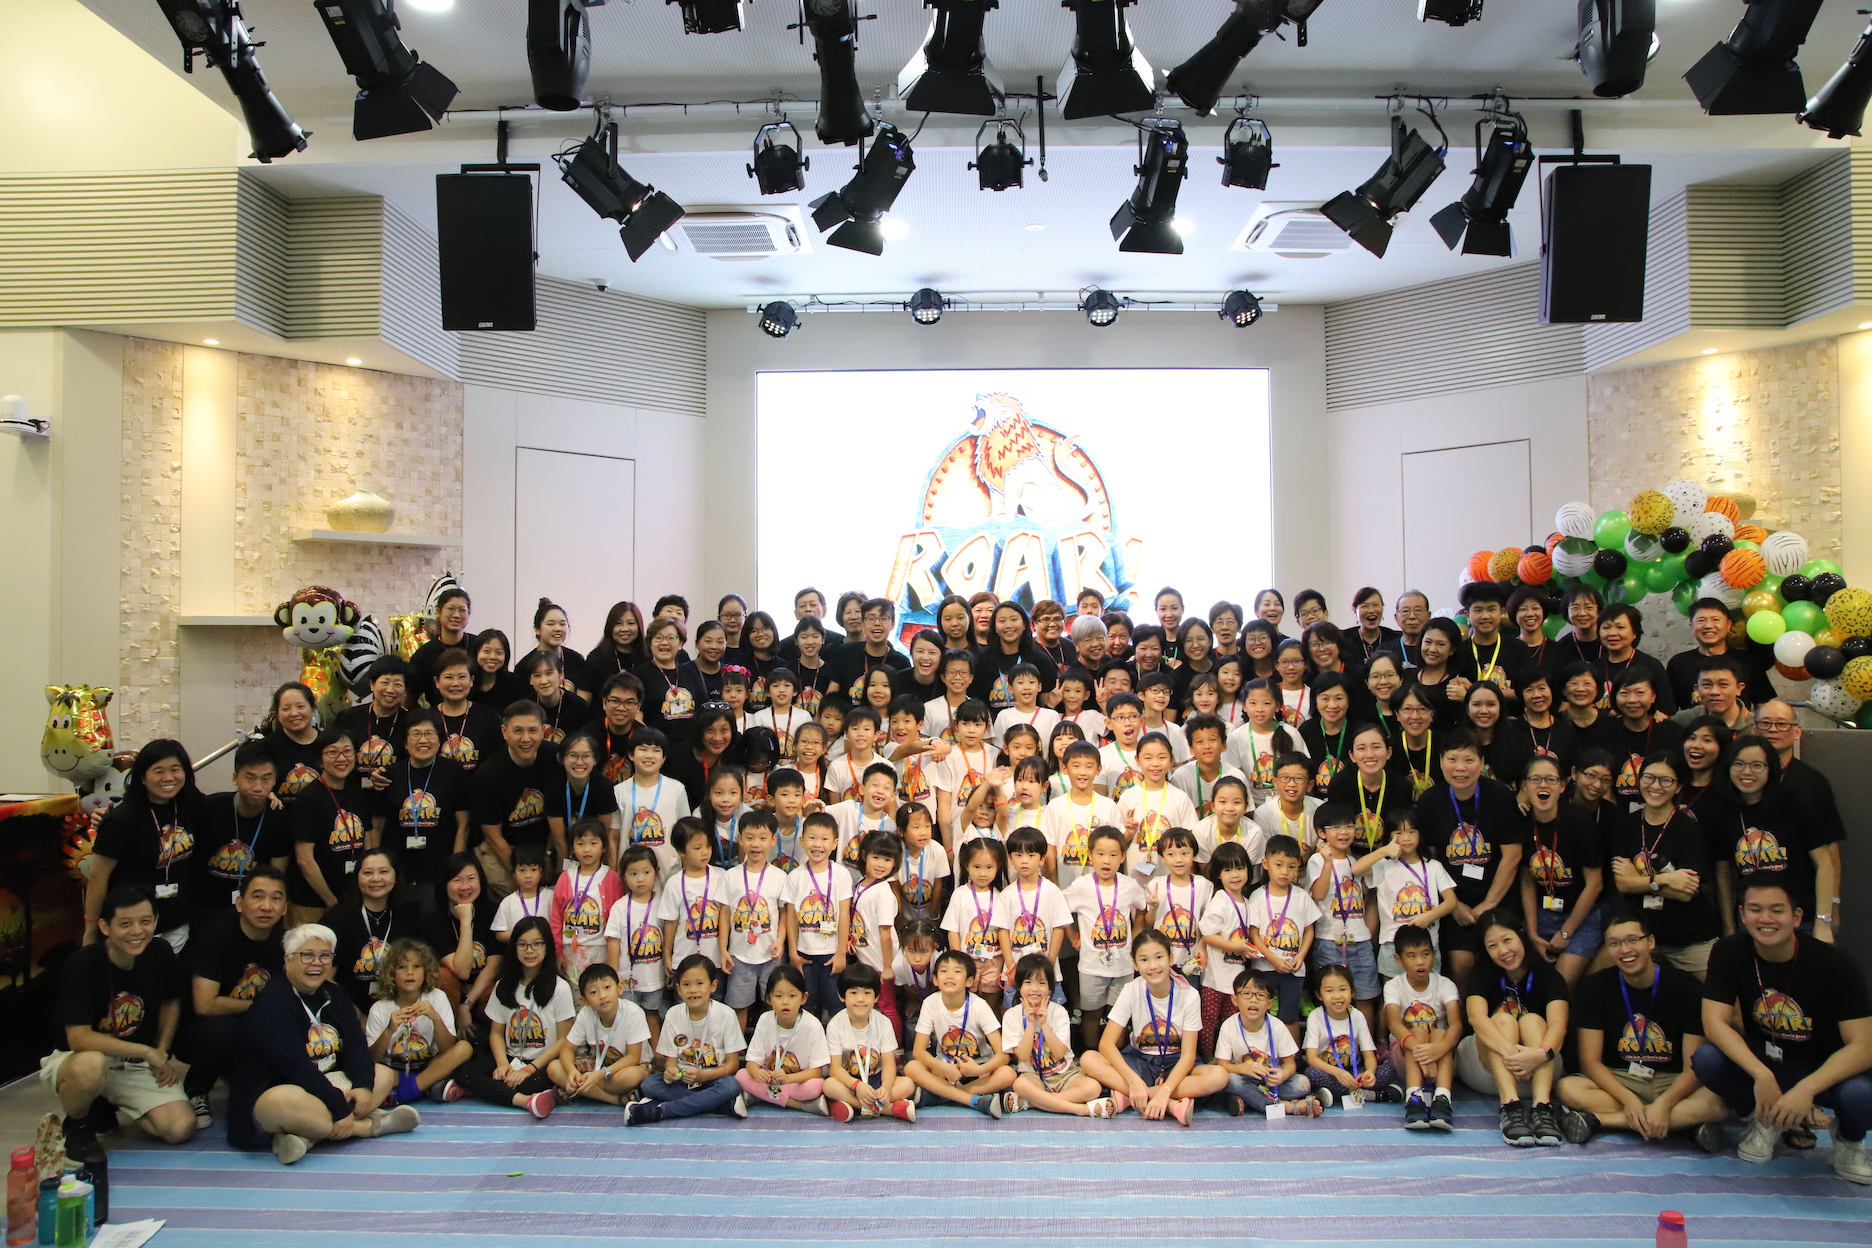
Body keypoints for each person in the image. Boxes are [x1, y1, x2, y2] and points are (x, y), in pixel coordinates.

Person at [1693, 877, 1872, 1182]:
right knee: (1707, 1060)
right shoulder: (1728, 951)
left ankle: (1849, 1139)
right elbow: (1714, 1022)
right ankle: (1765, 1118)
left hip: (1825, 1066)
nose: (1765, 919)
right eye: (1755, 909)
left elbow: (1864, 1046)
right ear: (1742, 914)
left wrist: (1807, 1088)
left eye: (1777, 910)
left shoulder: (1835, 963)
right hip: (1768, 1059)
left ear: (1796, 916)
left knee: (1861, 1094)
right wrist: (1761, 1076)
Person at [227, 922, 418, 1163]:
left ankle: (304, 1136)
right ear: (288, 959)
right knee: (279, 1101)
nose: (317, 963)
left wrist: (362, 1087)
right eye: (307, 955)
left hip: (327, 1084)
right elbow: (297, 1068)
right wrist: (339, 1109)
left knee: (383, 1074)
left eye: (325, 956)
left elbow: (356, 1046)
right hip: (285, 1090)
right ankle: (369, 1126)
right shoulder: (271, 1005)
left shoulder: (335, 993)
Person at [1555, 910, 1730, 1146]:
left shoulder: (1687, 988)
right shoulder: (1595, 987)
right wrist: (1628, 1099)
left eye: (1632, 940)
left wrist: (1665, 1103)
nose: (1625, 950)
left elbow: (1692, 1068)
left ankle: (1598, 1121)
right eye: (1614, 943)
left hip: (1672, 1081)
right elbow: (1590, 1062)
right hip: (1622, 1079)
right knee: (1568, 1088)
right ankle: (1685, 1123)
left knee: (1718, 1100)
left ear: (1651, 942)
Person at [45, 885, 195, 1152]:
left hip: (134, 1062)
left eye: (145, 921)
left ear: (155, 921)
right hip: (80, 1057)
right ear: (105, 926)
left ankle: (107, 1102)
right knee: (91, 1068)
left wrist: (162, 1050)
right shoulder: (83, 963)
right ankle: (78, 1124)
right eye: (125, 924)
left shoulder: (160, 952)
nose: (137, 931)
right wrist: (147, 1052)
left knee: (179, 1128)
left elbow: (171, 1001)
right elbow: (78, 1038)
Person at [1414, 731, 1525, 990]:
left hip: (1498, 896)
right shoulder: (1430, 801)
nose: (1460, 768)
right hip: (1454, 898)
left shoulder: (1500, 796)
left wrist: (1489, 904)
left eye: (1469, 760)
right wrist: (1453, 904)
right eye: (1452, 759)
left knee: (1505, 956)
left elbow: (1512, 856)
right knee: (1461, 963)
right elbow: (1430, 860)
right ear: (1441, 761)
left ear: (1482, 762)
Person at [181, 866, 288, 1126]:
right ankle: (197, 1087)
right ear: (240, 903)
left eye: (276, 899)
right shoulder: (216, 935)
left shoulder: (284, 940)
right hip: (200, 1027)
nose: (266, 906)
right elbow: (204, 1005)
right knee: (221, 1030)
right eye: (258, 897)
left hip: (254, 1021)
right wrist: (262, 1006)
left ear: (285, 907)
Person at [442, 914, 575, 1116]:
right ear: (514, 948)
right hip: (511, 1057)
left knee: (533, 1082)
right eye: (522, 945)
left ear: (547, 947)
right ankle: (524, 1101)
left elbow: (563, 1040)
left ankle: (483, 1090)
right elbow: (496, 1033)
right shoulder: (503, 985)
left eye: (537, 944)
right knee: (463, 1071)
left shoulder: (560, 988)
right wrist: (503, 1064)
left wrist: (529, 1069)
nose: (529, 951)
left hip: (541, 1062)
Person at [1458, 910, 1570, 1147]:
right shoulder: (1481, 973)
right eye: (1493, 946)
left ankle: (1542, 1108)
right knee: (1503, 1020)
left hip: (1540, 1069)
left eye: (1507, 940)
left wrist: (1539, 1055)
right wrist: (1513, 1054)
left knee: (1533, 1021)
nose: (1503, 951)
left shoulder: (1548, 974)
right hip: (1489, 1070)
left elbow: (1559, 1025)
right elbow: (1476, 1019)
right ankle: (1510, 1106)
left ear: (1521, 936)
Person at [1608, 752, 1721, 976]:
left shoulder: (1690, 829)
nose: (1655, 786)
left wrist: (1637, 881)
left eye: (1666, 780)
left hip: (1688, 937)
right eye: (1649, 778)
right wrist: (1667, 879)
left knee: (1710, 992)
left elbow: (1686, 893)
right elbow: (1621, 884)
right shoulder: (1624, 826)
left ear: (1678, 787)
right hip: (1639, 936)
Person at [1081, 930, 1208, 1124]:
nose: (1153, 966)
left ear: (1171, 958)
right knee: (1088, 1059)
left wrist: (1166, 1090)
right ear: (1135, 964)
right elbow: (1106, 1044)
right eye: (1144, 960)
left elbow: (1188, 1056)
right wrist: (1134, 1081)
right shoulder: (1131, 989)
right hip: (1140, 1060)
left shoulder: (1189, 994)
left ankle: (1133, 1096)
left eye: (1159, 957)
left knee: (1217, 1077)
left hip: (1175, 1062)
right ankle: (1169, 1104)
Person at [87, 740, 205, 943]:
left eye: (175, 769)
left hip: (178, 921)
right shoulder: (121, 819)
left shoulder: (191, 804)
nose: (168, 778)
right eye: (158, 771)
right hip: (133, 924)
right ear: (142, 776)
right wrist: (90, 929)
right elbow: (98, 877)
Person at [1756, 699, 1847, 934]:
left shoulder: (1811, 781)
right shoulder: (1741, 778)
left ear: (1797, 732)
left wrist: (1833, 905)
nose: (1773, 730)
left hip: (1803, 909)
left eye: (1781, 724)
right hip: (1753, 909)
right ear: (1754, 729)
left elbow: (1830, 847)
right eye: (1765, 723)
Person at [626, 953, 749, 1124]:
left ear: (713, 986)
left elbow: (732, 1065)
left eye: (700, 984)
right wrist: (670, 1072)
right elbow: (671, 1062)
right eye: (686, 984)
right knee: (649, 1083)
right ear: (678, 989)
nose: (693, 990)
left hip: (712, 1080)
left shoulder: (726, 1014)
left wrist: (703, 1076)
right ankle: (719, 1105)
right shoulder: (673, 1014)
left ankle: (660, 1112)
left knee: (731, 1085)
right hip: (683, 1081)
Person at [1517, 754, 1606, 988]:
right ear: (1524, 786)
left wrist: (1566, 933)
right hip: (1541, 913)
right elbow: (1526, 881)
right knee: (1528, 980)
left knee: (1559, 984)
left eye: (1550, 779)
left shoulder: (1580, 824)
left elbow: (1595, 884)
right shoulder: (1521, 823)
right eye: (1535, 779)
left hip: (1582, 915)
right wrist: (1532, 933)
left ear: (1563, 786)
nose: (1543, 785)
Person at [371, 710, 470, 918]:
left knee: (432, 919)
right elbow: (377, 825)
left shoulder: (454, 773)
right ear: (405, 742)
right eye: (415, 734)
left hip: (438, 866)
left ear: (439, 739)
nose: (423, 740)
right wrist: (376, 864)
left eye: (429, 734)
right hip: (398, 867)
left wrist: (455, 867)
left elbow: (463, 824)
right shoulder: (390, 775)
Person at [1063, 826, 1148, 1050]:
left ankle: (1117, 1059)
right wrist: (1073, 935)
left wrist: (1136, 936)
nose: (1106, 861)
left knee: (1118, 1018)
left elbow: (1142, 908)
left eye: (1113, 855)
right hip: (1091, 966)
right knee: (1091, 1014)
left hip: (1123, 966)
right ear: (1090, 855)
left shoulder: (1129, 885)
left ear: (1123, 857)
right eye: (1100, 854)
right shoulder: (1081, 886)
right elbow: (1060, 909)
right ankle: (1092, 1056)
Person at [1000, 954, 1117, 1117]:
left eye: (1041, 983)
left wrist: (1044, 1024)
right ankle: (1082, 1110)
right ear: (1019, 985)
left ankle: (1033, 1102)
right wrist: (1031, 1023)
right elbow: (1023, 1056)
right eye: (1028, 982)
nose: (1035, 988)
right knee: (1020, 1084)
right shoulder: (1011, 1015)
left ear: (1050, 987)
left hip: (1065, 1074)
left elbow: (1060, 1053)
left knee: (1093, 1087)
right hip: (1033, 1076)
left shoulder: (1059, 1012)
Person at [905, 948, 1015, 1117]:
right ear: (935, 979)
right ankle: (974, 1100)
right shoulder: (930, 1003)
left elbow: (1003, 1055)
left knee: (1008, 1074)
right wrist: (943, 1067)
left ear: (969, 981)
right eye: (944, 971)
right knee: (912, 1067)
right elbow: (918, 1051)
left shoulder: (979, 1006)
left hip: (978, 1070)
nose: (949, 976)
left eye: (957, 972)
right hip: (944, 1070)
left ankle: (941, 1096)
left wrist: (978, 1070)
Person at [365, 937, 473, 1105]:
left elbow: (447, 1049)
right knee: (373, 1071)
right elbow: (373, 1058)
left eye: (417, 966)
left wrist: (435, 1018)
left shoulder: (437, 997)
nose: (410, 972)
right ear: (391, 973)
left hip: (430, 1067)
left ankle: (407, 1092)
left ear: (426, 970)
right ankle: (428, 1086)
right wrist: (389, 1030)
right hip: (394, 1072)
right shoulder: (380, 1008)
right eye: (402, 967)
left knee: (464, 1048)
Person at [288, 729, 375, 927]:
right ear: (320, 760)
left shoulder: (358, 795)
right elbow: (304, 860)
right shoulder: (308, 799)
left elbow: (368, 842)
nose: (341, 758)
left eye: (347, 751)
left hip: (352, 898)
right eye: (333, 752)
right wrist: (331, 900)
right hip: (314, 901)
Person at [1377, 926, 1460, 1130]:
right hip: (1406, 1055)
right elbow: (1394, 1023)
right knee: (1419, 1031)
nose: (1420, 961)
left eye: (1425, 954)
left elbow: (1457, 1025)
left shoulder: (1445, 984)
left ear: (1434, 955)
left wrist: (1438, 1049)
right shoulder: (1393, 986)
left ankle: (1442, 1099)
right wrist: (1421, 1052)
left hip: (1439, 1057)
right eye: (1412, 956)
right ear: (1399, 960)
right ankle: (1414, 1098)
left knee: (1441, 1033)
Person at [469, 701, 554, 894]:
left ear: (543, 731)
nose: (526, 738)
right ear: (504, 732)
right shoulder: (488, 775)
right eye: (518, 731)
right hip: (504, 846)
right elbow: (492, 835)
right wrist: (522, 874)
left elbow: (558, 816)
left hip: (545, 845)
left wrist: (549, 855)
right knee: (518, 894)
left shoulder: (555, 759)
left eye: (533, 730)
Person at [1242, 835, 1320, 1039]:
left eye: (1291, 866)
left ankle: (1292, 1055)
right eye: (1279, 865)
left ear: (1298, 868)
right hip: (1265, 967)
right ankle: (1263, 1051)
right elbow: (1254, 933)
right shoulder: (1258, 896)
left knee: (1290, 1016)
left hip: (1294, 969)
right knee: (1262, 1014)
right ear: (1265, 864)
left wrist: (1301, 956)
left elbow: (1309, 930)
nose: (1285, 872)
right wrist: (1272, 959)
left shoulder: (1301, 896)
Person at [197, 742, 288, 917]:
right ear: (235, 778)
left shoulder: (278, 817)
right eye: (250, 778)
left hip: (255, 909)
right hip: (208, 907)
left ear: (275, 780)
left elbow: (276, 876)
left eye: (266, 779)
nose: (258, 787)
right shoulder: (209, 808)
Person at [543, 962, 650, 1108]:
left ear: (619, 988)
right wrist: (571, 1072)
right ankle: (614, 1099)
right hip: (599, 1065)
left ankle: (581, 1091)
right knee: (554, 1068)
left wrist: (597, 1076)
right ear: (584, 1001)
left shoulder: (633, 1012)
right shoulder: (586, 1013)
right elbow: (567, 1049)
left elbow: (633, 1057)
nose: (602, 996)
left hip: (629, 1066)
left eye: (607, 987)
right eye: (593, 992)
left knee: (631, 1076)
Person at [323, 848, 415, 1014]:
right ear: (357, 878)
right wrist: (356, 1016)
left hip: (400, 1006)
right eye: (367, 873)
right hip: (350, 1007)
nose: (376, 878)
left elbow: (419, 968)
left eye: (384, 871)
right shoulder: (336, 919)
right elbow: (326, 979)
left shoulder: (409, 913)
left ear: (396, 876)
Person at [733, 964, 831, 1114]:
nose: (785, 1002)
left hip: (796, 1081)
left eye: (792, 996)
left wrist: (788, 1079)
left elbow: (816, 1072)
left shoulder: (812, 1025)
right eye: (778, 996)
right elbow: (752, 1062)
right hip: (770, 1079)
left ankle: (759, 1096)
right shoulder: (765, 1020)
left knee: (815, 1086)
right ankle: (799, 1105)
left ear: (803, 998)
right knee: (741, 1076)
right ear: (768, 998)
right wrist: (757, 1073)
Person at [825, 962, 916, 1121]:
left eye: (867, 993)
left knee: (907, 1084)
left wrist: (885, 1088)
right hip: (849, 1081)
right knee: (829, 1085)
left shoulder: (883, 1022)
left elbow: (889, 1064)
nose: (860, 999)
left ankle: (851, 1106)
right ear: (842, 996)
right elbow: (835, 1068)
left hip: (876, 1080)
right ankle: (888, 1109)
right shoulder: (835, 1025)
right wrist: (857, 1085)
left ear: (876, 997)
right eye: (853, 993)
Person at [426, 853, 502, 1044]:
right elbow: (462, 971)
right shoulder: (434, 921)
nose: (465, 886)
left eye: (471, 879)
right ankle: (448, 1041)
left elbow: (493, 965)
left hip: (483, 989)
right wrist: (466, 921)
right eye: (457, 880)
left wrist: (467, 1004)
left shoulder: (493, 911)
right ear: (445, 885)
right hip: (453, 991)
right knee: (442, 976)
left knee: (504, 988)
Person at [784, 813, 854, 1017]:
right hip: (804, 953)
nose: (817, 844)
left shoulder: (841, 874)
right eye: (812, 838)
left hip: (832, 953)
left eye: (824, 839)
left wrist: (841, 953)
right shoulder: (795, 876)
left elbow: (844, 915)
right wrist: (793, 954)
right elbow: (791, 918)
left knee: (835, 1007)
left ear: (835, 844)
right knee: (806, 1006)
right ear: (802, 841)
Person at [1668, 598, 1775, 711]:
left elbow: (1763, 706)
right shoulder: (1678, 664)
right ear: (1691, 626)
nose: (1708, 626)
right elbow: (1669, 709)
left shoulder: (1748, 661)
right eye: (1701, 620)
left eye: (1715, 620)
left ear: (1728, 625)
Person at [1300, 963, 1380, 1111]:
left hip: (1353, 1072)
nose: (1337, 996)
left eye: (1343, 989)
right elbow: (1311, 1058)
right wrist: (1338, 1073)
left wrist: (1369, 1072)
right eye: (1329, 991)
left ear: (1352, 992)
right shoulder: (1316, 1016)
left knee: (1386, 1071)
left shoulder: (1357, 1016)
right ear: (1319, 995)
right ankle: (1371, 1094)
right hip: (1329, 1072)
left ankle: (1337, 1093)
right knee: (1312, 1074)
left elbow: (1369, 1054)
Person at [552, 819, 621, 978]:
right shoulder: (566, 877)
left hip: (601, 948)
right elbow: (556, 918)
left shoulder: (611, 878)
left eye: (593, 843)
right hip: (570, 948)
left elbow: (619, 918)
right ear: (572, 848)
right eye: (580, 844)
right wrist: (558, 953)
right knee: (575, 991)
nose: (587, 849)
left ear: (604, 847)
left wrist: (614, 955)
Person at [335, 655, 415, 781]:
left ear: (405, 690)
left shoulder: (412, 723)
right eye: (385, 683)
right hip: (352, 789)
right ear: (372, 684)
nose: (390, 690)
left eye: (398, 684)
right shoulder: (348, 718)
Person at [827, 597, 912, 699]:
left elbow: (902, 703)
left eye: (884, 618)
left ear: (893, 624)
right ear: (863, 623)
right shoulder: (844, 653)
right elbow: (831, 697)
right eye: (871, 618)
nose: (877, 623)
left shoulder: (901, 662)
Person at [411, 584, 473, 707]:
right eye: (451, 609)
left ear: (468, 614)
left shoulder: (479, 646)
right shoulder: (424, 654)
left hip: (475, 714)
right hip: (437, 716)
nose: (456, 615)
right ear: (438, 612)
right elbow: (411, 696)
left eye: (462, 610)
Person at [576, 601, 647, 699]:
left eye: (631, 623)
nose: (624, 629)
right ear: (610, 627)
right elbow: (583, 700)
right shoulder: (596, 659)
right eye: (618, 624)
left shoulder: (648, 657)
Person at [1672, 654, 1755, 733]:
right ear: (1697, 689)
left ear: (1739, 688)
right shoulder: (1683, 720)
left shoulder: (1755, 725)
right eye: (1706, 685)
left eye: (1723, 684)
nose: (1714, 692)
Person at [1348, 587, 1402, 667]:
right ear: (1354, 611)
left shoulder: (1396, 638)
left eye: (1375, 605)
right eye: (1364, 606)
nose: (1371, 610)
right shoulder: (1344, 639)